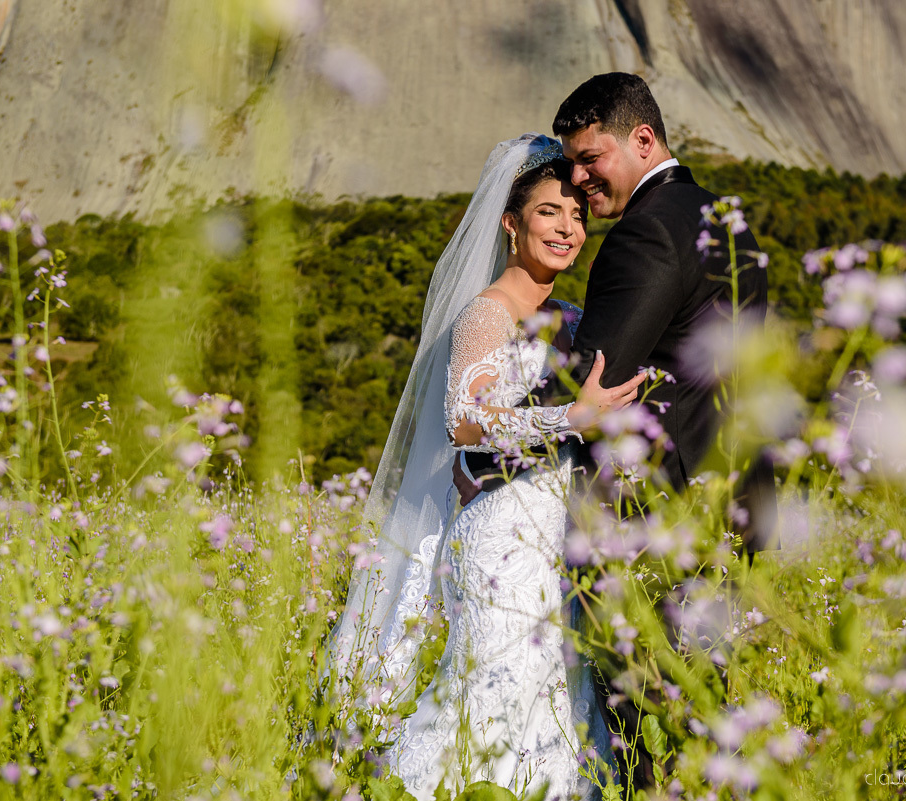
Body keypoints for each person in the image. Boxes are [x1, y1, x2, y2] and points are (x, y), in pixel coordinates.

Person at [457, 72, 780, 791]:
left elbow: (589, 382)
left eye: (588, 158)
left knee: (651, 735)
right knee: (693, 720)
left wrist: (487, 451)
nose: (578, 177)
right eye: (568, 166)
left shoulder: (647, 231)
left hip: (653, 518)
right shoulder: (722, 218)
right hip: (724, 506)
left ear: (642, 139)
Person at [328, 134, 644, 800]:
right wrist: (571, 419)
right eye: (548, 213)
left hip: (563, 532)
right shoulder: (486, 313)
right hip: (499, 529)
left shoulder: (576, 317)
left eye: (577, 215)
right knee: (493, 679)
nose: (567, 228)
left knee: (560, 692)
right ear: (510, 223)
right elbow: (464, 423)